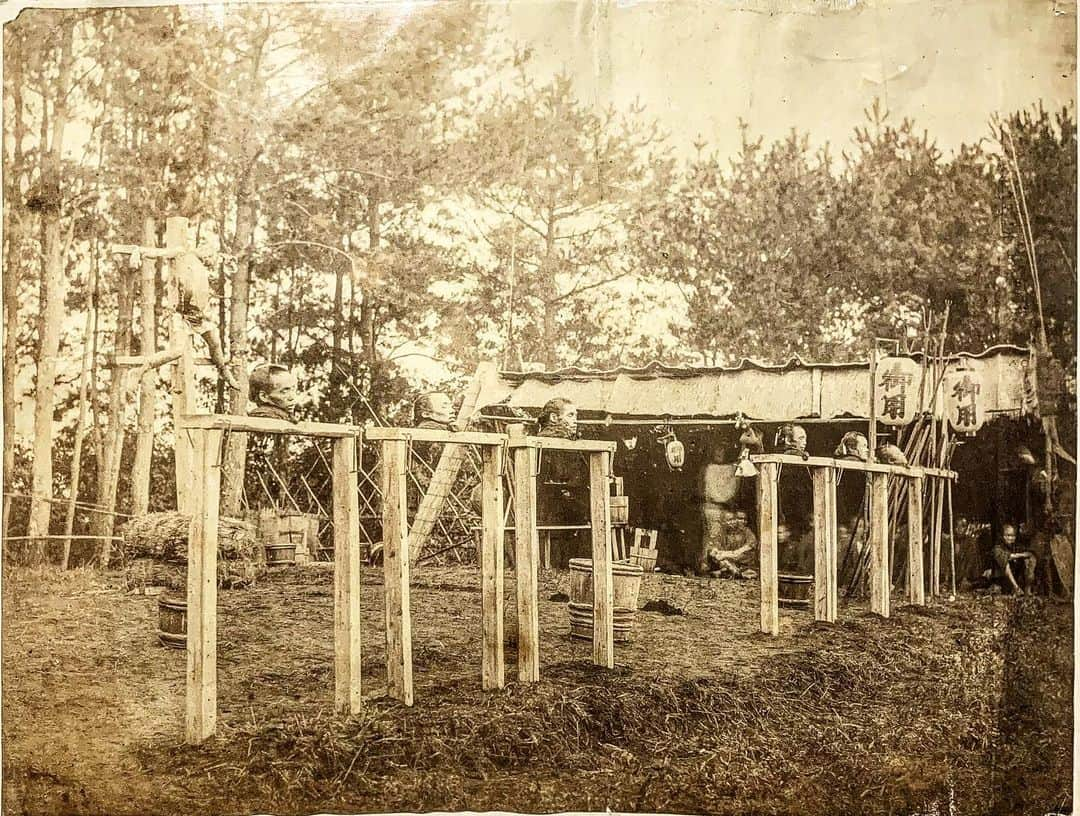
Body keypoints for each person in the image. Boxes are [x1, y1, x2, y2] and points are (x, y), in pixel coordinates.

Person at [699, 443, 741, 574]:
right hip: (712, 507)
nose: (720, 454)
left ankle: (714, 564)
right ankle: (706, 564)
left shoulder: (728, 468)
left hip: (718, 507)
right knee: (713, 536)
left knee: (717, 537)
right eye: (717, 451)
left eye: (722, 452)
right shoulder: (708, 468)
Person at [990, 523, 1037, 595]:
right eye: (1008, 535)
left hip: (1015, 579)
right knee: (1005, 561)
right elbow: (1008, 557)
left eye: (1013, 536)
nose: (1010, 538)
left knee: (1028, 559)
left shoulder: (1016, 547)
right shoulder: (997, 548)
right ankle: (1016, 588)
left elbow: (1029, 553)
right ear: (1003, 536)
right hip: (1001, 582)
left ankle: (1028, 588)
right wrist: (1021, 555)